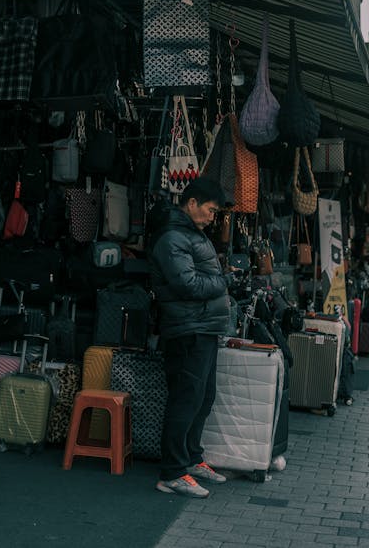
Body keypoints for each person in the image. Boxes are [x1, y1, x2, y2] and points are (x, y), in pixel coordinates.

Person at [149, 177, 234, 499]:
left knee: (203, 397)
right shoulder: (172, 237)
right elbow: (187, 284)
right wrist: (221, 282)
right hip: (187, 329)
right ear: (192, 203)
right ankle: (172, 472)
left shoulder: (191, 234)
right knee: (186, 400)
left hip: (203, 327)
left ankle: (191, 459)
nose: (214, 217)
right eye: (211, 210)